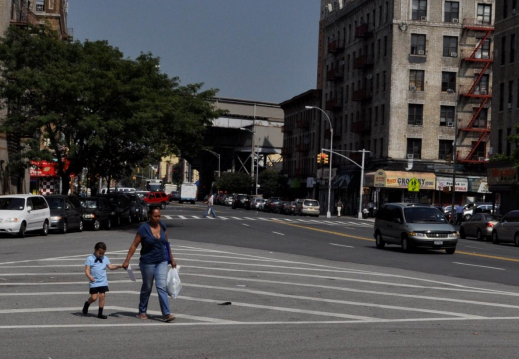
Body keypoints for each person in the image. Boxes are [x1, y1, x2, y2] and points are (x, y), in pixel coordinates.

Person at [122, 207, 177, 322]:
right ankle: (142, 311)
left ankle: (166, 313)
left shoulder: (163, 226)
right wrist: (127, 260)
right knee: (147, 287)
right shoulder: (143, 228)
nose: (157, 218)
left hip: (161, 261)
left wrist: (171, 258)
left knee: (161, 287)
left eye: (159, 216)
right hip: (147, 262)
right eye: (155, 216)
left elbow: (167, 244)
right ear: (149, 216)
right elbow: (134, 245)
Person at [83, 242, 122, 319]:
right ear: (95, 250)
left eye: (103, 253)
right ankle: (87, 304)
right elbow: (87, 270)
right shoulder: (89, 259)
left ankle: (100, 313)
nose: (101, 255)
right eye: (99, 253)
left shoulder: (105, 258)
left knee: (102, 296)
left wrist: (119, 266)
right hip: (94, 282)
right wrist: (90, 277)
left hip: (103, 281)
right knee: (94, 298)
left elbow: (110, 267)